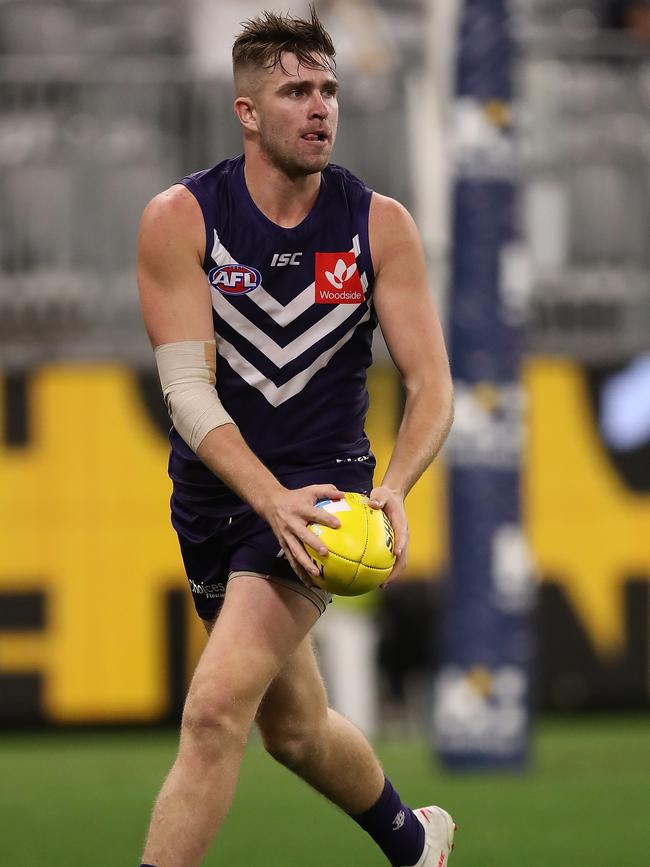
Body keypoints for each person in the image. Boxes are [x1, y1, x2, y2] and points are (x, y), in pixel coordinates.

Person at [136, 7, 455, 867]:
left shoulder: (377, 224)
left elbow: (431, 386)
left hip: (319, 493)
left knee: (211, 712)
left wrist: (395, 484)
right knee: (297, 730)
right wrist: (261, 496)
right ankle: (414, 843)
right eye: (295, 91)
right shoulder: (182, 217)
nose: (320, 107)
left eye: (328, 90)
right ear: (246, 112)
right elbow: (187, 394)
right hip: (222, 496)